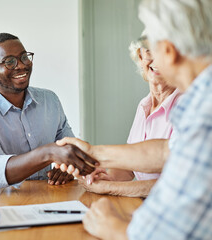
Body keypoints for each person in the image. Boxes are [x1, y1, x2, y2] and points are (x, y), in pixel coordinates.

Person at [57, 0, 212, 239]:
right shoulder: (200, 98)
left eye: (152, 46)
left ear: (168, 51)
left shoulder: (204, 112)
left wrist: (116, 228)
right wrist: (94, 152)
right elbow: (165, 152)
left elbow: (175, 231)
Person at [0, 33, 97, 189]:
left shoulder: (50, 100)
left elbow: (71, 148)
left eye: (24, 57)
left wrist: (68, 167)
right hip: (4, 204)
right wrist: (48, 153)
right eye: (9, 61)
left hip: (52, 197)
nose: (21, 65)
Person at [79, 35, 181, 198]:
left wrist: (109, 187)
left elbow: (175, 182)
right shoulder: (144, 105)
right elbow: (130, 167)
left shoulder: (186, 106)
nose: (156, 59)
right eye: (149, 51)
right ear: (140, 57)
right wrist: (107, 176)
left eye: (164, 53)